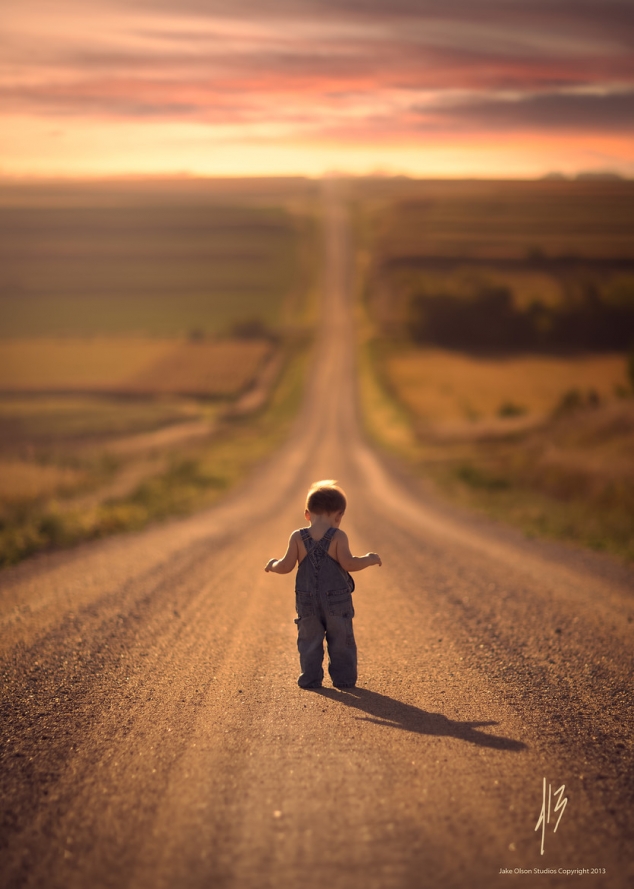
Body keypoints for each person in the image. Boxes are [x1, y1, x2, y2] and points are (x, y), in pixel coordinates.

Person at [265, 479, 382, 689]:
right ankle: (344, 680)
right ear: (338, 515)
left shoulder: (297, 537)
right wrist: (369, 559)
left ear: (307, 514)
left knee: (309, 641)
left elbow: (285, 566)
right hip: (337, 601)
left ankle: (310, 679)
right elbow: (349, 563)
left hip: (306, 601)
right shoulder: (338, 536)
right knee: (341, 640)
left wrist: (273, 564)